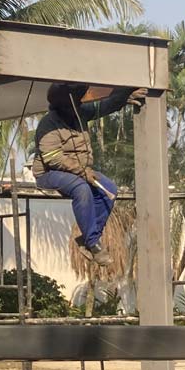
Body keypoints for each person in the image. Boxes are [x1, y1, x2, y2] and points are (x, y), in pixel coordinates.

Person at [31, 83, 148, 266]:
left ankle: (88, 239)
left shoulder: (80, 113)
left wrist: (124, 96)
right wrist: (83, 172)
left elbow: (104, 106)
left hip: (79, 172)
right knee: (81, 188)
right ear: (62, 107)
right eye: (74, 105)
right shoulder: (48, 124)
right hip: (50, 174)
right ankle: (93, 243)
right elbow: (53, 159)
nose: (78, 107)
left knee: (109, 189)